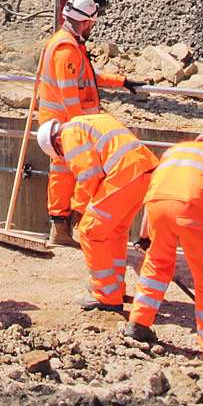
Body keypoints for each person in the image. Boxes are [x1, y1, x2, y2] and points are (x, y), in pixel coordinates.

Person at [126, 130, 203, 363]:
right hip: (193, 208)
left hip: (157, 207)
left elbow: (154, 193)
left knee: (157, 264)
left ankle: (138, 323)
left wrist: (144, 235)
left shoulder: (173, 151)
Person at [37, 113, 158, 313]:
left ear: (56, 142)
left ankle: (106, 295)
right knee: (114, 231)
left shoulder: (69, 135)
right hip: (146, 171)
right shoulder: (89, 121)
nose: (64, 156)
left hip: (125, 175)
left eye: (61, 154)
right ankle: (115, 287)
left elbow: (88, 175)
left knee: (90, 231)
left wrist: (78, 209)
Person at [35, 0, 129, 245]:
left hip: (68, 124)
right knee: (65, 174)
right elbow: (69, 95)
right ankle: (62, 229)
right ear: (86, 23)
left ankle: (67, 227)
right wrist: (82, 131)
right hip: (64, 125)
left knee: (72, 174)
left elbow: (87, 77)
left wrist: (121, 81)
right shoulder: (66, 49)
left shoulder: (70, 44)